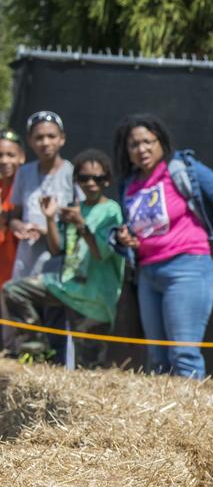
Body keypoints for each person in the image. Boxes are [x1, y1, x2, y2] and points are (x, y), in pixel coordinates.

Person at [112, 114, 213, 378]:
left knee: (183, 354)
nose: (142, 149)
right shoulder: (129, 183)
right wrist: (127, 239)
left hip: (188, 267)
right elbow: (135, 226)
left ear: (161, 142)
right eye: (134, 144)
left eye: (148, 141)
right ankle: (163, 419)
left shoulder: (181, 168)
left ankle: (191, 419)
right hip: (148, 273)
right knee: (157, 359)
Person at [2, 150, 125, 367]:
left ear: (107, 180)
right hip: (65, 287)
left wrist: (81, 224)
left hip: (93, 300)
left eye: (97, 178)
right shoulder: (73, 209)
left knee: (87, 370)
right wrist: (50, 218)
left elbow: (100, 253)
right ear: (76, 180)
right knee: (14, 290)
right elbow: (57, 249)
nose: (91, 183)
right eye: (84, 178)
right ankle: (36, 353)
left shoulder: (111, 211)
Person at [5, 112, 75, 354]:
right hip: (27, 260)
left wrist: (48, 228)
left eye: (51, 136)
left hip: (57, 263)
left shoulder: (72, 174)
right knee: (17, 304)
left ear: (62, 139)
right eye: (39, 137)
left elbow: (79, 222)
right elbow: (14, 216)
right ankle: (32, 353)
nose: (45, 142)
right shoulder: (24, 174)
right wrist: (20, 227)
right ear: (31, 141)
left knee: (56, 322)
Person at [0, 128, 25, 352]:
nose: (4, 161)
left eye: (10, 155)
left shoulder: (28, 187)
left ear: (21, 157)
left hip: (19, 277)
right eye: (0, 156)